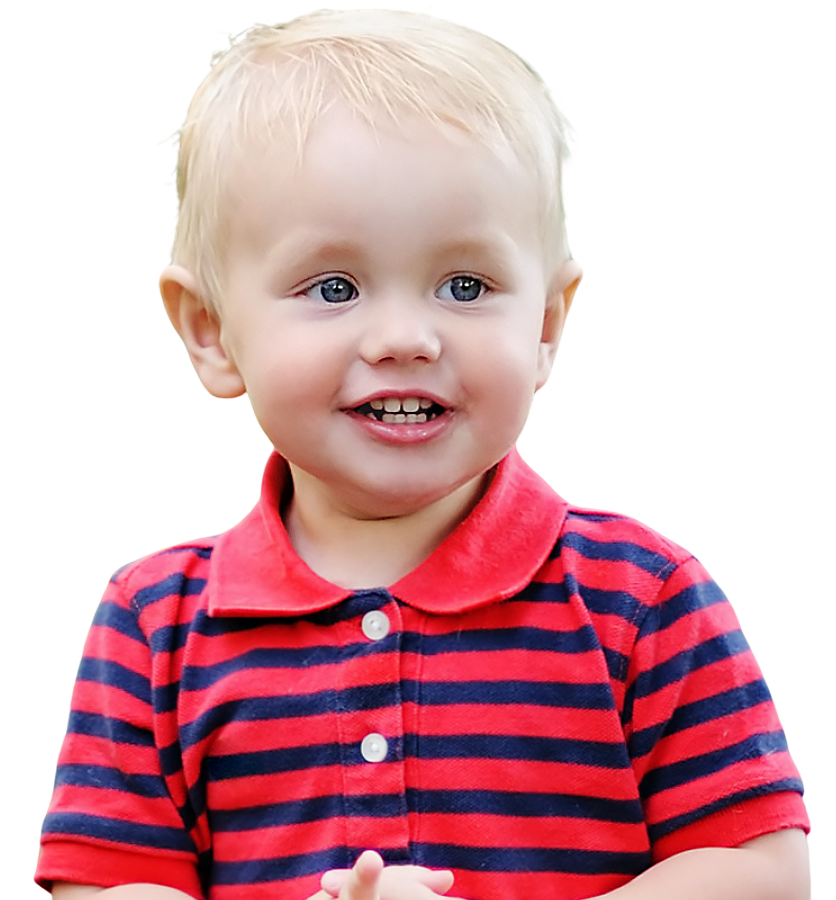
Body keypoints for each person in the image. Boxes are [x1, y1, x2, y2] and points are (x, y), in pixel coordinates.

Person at [35, 8, 811, 900]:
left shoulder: (642, 598)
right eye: (334, 286)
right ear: (211, 332)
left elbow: (763, 870)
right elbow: (108, 883)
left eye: (465, 285)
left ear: (548, 324)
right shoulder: (157, 625)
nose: (405, 336)